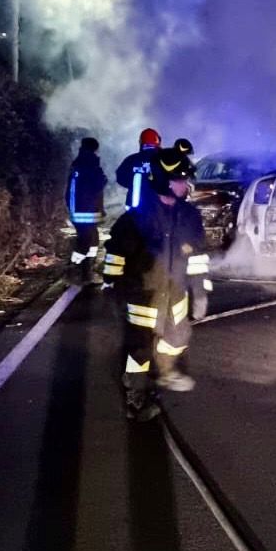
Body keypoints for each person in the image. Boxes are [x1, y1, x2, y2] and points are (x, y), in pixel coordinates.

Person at [101, 147, 211, 421]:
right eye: (180, 180)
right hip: (143, 297)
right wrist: (111, 285)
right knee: (139, 349)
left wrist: (199, 293)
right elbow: (115, 255)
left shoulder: (190, 216)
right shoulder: (135, 219)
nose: (186, 185)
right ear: (164, 181)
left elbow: (197, 257)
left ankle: (165, 370)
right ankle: (135, 394)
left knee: (178, 337)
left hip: (176, 294)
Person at [65, 136, 108, 285]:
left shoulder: (77, 164)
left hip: (81, 209)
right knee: (86, 242)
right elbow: (97, 185)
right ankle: (73, 270)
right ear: (95, 149)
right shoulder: (90, 164)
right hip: (86, 210)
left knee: (92, 239)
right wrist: (103, 178)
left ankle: (86, 273)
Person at [115, 128, 163, 209]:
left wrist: (133, 184)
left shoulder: (131, 159)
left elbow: (120, 177)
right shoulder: (164, 160)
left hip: (134, 206)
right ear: (157, 141)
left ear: (140, 142)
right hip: (159, 207)